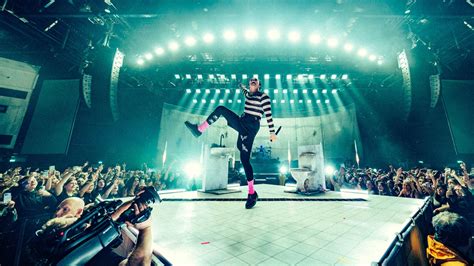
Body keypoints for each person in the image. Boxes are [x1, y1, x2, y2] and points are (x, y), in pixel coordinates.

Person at [185, 77, 277, 209]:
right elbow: (244, 90)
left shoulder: (263, 97)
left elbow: (268, 115)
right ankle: (199, 130)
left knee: (245, 160)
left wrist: (272, 133)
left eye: (255, 80)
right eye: (251, 80)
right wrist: (240, 85)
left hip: (251, 127)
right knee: (221, 109)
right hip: (242, 121)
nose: (253, 80)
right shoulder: (248, 94)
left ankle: (252, 193)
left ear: (259, 85)